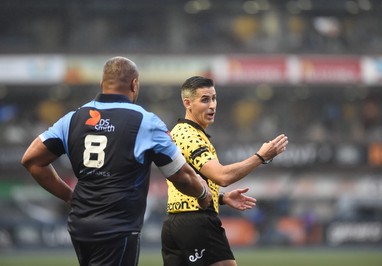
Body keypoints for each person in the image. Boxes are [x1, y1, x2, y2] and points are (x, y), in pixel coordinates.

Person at [21, 57, 212, 266]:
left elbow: (32, 160)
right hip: (117, 227)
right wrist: (202, 193)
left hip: (80, 225)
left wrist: (69, 196)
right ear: (134, 84)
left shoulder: (73, 118)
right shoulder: (145, 122)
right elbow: (181, 176)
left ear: (102, 83)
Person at [161, 76, 289, 266]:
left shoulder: (181, 132)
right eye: (205, 99)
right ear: (187, 103)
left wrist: (220, 198)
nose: (212, 105)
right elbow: (222, 176)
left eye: (214, 98)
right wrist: (261, 156)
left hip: (175, 224)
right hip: (197, 223)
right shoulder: (189, 135)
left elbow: (185, 184)